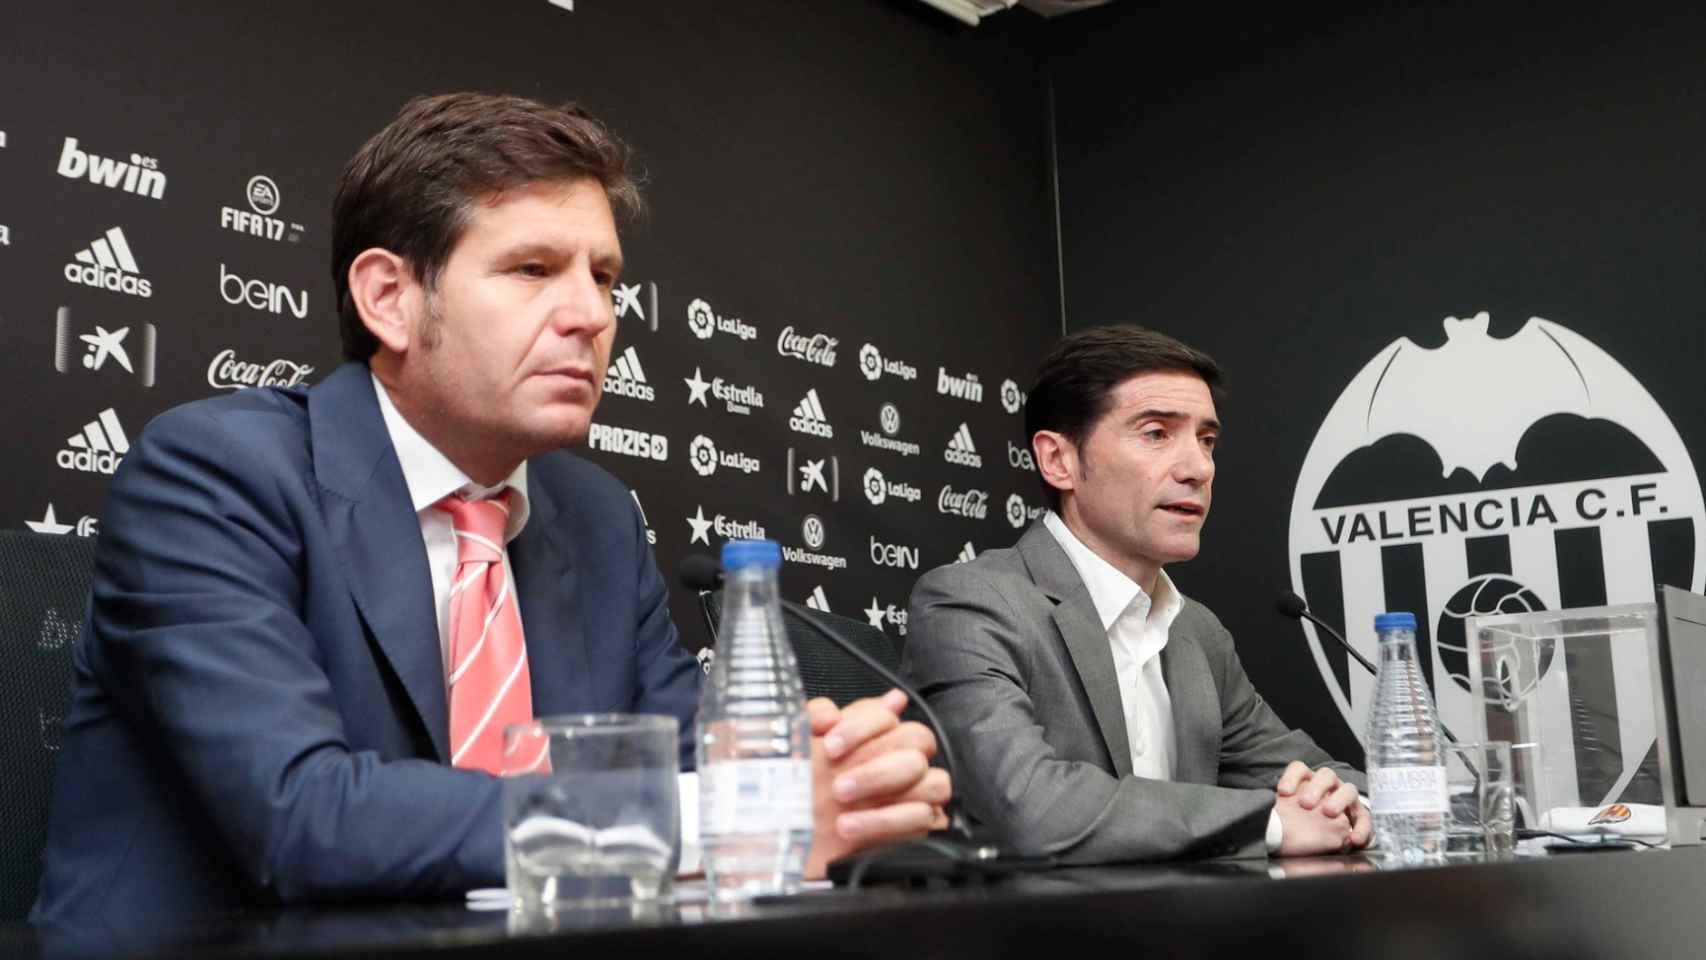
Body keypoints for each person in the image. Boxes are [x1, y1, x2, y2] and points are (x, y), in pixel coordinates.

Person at [33, 92, 948, 928]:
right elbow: (300, 816)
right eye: (533, 268)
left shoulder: (593, 514)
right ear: (390, 297)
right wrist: (715, 816)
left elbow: (686, 761)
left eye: (605, 277)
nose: (591, 314)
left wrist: (825, 783)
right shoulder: (218, 471)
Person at [902, 325, 1368, 863]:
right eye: (1156, 434)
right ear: (1059, 461)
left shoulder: (1196, 630)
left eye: (1207, 440)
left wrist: (1350, 805)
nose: (1198, 468)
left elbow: (1309, 776)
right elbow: (1028, 806)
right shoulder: (971, 604)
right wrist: (1271, 824)